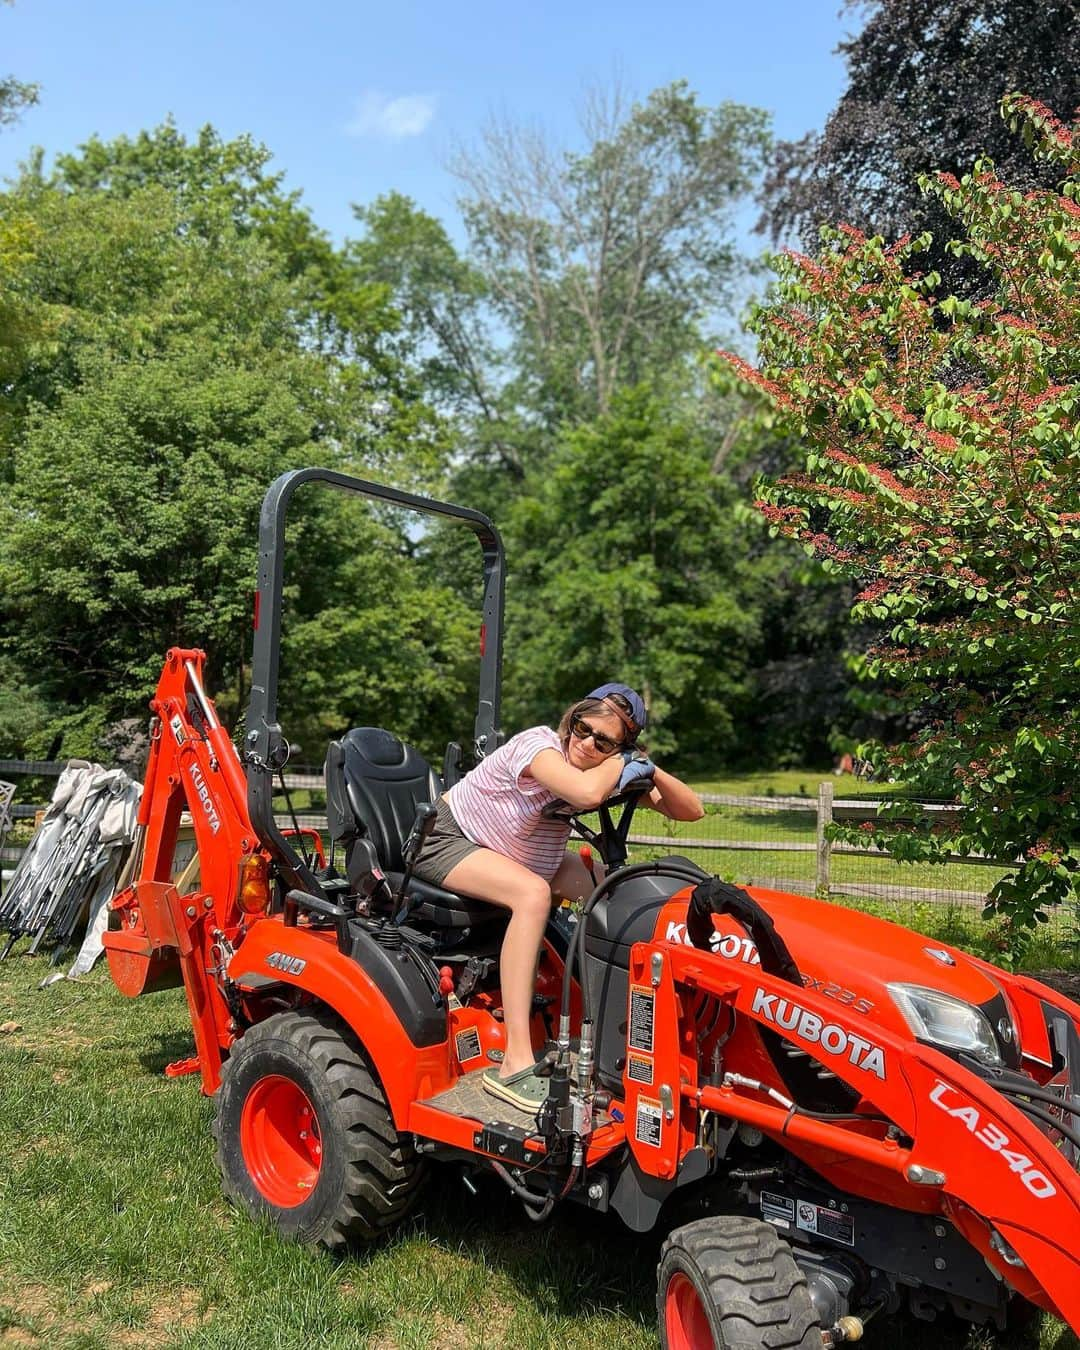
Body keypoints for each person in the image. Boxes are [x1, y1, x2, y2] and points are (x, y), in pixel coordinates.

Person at [412, 682, 704, 1112]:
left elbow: (691, 810)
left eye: (603, 740)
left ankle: (638, 1029)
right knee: (532, 896)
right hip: (449, 841)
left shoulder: (605, 767)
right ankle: (515, 1060)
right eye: (582, 728)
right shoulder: (539, 745)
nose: (586, 743)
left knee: (621, 889)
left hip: (522, 853)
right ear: (571, 719)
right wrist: (621, 758)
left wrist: (648, 768)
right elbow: (586, 794)